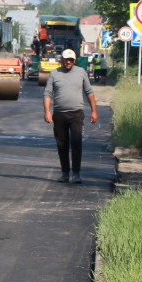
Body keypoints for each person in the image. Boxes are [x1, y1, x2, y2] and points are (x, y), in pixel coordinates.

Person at [43, 48, 97, 184]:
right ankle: (65, 173)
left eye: (71, 60)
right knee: (62, 144)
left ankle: (77, 173)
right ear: (62, 60)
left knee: (76, 142)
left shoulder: (81, 72)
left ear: (74, 60)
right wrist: (47, 111)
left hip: (76, 114)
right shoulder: (55, 74)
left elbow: (89, 92)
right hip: (59, 114)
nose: (68, 62)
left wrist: (94, 111)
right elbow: (47, 94)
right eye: (66, 59)